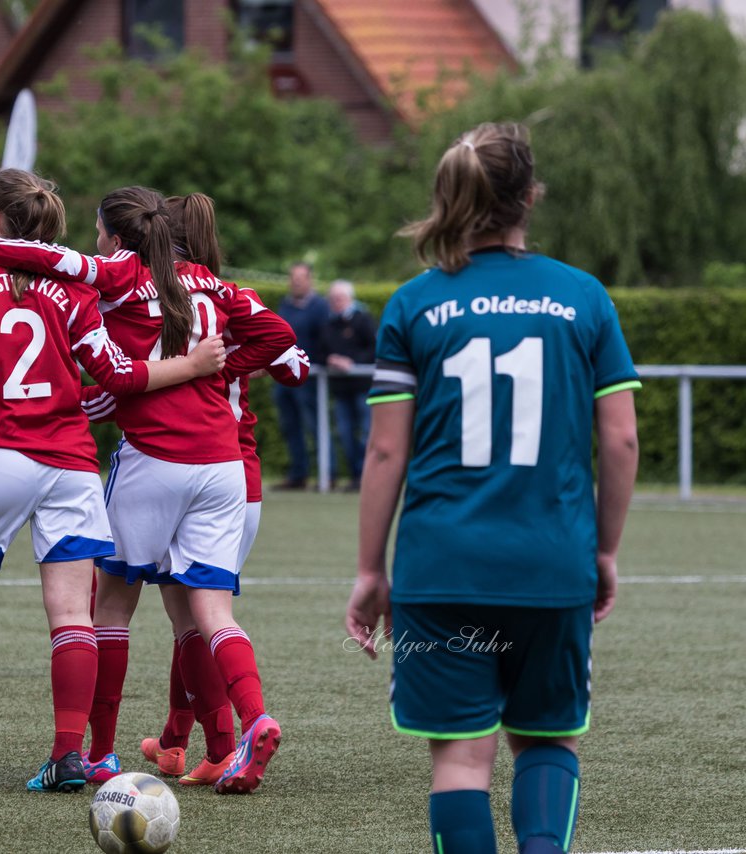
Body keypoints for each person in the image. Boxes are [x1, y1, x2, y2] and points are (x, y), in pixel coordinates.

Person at [0, 185, 296, 795]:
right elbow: (281, 344)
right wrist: (216, 367)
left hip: (118, 458)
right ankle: (229, 734)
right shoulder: (214, 286)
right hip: (208, 466)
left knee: (100, 609)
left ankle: (79, 753)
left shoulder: (110, 275)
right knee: (198, 613)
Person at [345, 123, 640, 854]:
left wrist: (369, 569)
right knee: (548, 739)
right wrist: (602, 553)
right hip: (551, 565)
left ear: (449, 196)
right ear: (530, 198)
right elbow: (622, 441)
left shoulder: (413, 305)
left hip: (441, 573)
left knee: (461, 757)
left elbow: (386, 451)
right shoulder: (584, 298)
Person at [272, 262, 328, 490]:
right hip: (283, 380)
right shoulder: (284, 306)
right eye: (293, 277)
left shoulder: (320, 307)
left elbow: (326, 340)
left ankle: (327, 474)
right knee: (290, 427)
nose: (296, 282)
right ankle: (299, 474)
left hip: (310, 380)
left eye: (300, 278)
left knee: (316, 426)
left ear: (309, 280)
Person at [318, 279, 376, 491]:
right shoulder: (327, 324)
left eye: (340, 298)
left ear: (350, 299)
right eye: (333, 299)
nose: (336, 302)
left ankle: (367, 477)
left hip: (363, 388)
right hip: (341, 390)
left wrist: (353, 362)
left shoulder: (364, 320)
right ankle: (355, 476)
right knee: (345, 433)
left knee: (366, 433)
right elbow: (320, 350)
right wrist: (330, 360)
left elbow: (375, 348)